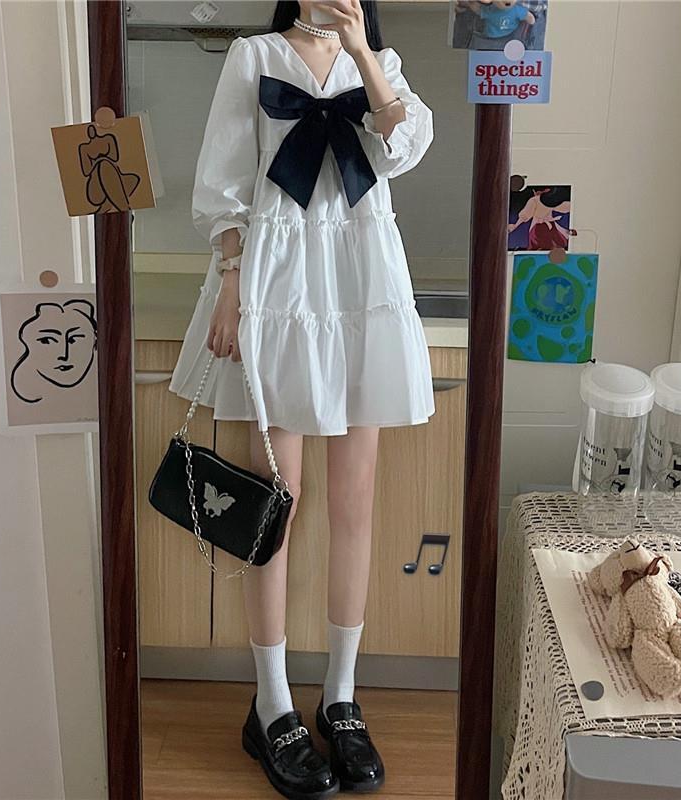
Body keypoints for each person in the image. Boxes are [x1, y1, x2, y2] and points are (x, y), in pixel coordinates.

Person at [168, 1, 435, 797]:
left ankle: (341, 696)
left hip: (359, 288)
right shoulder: (254, 56)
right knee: (272, 508)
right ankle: (272, 702)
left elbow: (405, 147)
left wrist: (362, 50)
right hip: (278, 290)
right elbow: (221, 181)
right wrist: (229, 283)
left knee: (355, 505)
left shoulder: (380, 63)